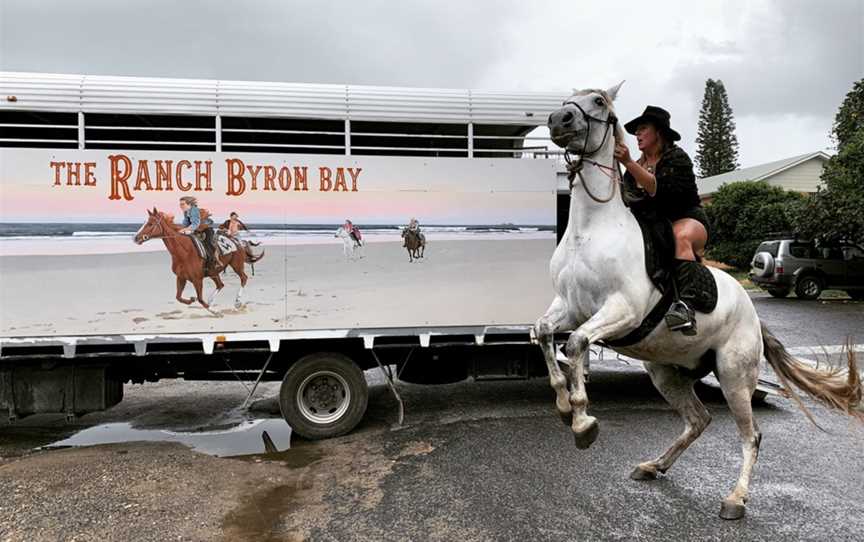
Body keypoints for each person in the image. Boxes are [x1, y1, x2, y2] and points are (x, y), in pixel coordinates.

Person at [613, 105, 711, 335]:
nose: (637, 134)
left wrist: (628, 162)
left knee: (680, 236)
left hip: (688, 218)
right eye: (636, 130)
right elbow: (629, 199)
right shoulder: (634, 167)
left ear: (659, 132)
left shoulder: (677, 158)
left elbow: (658, 189)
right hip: (655, 224)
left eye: (643, 128)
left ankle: (686, 308)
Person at [178, 196, 217, 273]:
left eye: (183, 204)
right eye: (180, 204)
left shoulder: (194, 210)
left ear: (189, 204)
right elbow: (185, 222)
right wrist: (180, 229)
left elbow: (196, 223)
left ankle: (212, 263)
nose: (181, 206)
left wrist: (186, 229)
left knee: (208, 244)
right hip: (197, 230)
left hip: (206, 229)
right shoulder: (186, 211)